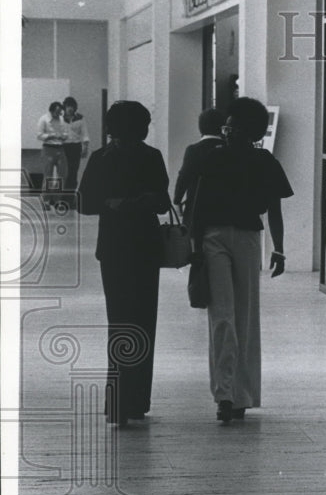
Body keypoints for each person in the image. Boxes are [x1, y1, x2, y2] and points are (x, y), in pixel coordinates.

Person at [190, 97, 293, 423]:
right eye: (227, 126)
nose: (228, 130)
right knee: (223, 316)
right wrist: (194, 250)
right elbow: (197, 205)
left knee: (245, 318)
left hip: (248, 237)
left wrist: (278, 248)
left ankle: (241, 395)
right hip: (215, 237)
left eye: (233, 126)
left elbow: (274, 210)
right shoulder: (211, 158)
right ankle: (225, 394)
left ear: (250, 131)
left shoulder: (264, 162)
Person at [77, 101, 170, 426]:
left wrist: (112, 204)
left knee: (119, 323)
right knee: (145, 322)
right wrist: (139, 203)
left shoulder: (102, 158)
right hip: (145, 248)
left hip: (114, 249)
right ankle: (137, 401)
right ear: (142, 127)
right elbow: (163, 202)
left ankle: (116, 403)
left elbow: (84, 203)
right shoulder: (152, 156)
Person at [173, 108, 225, 227]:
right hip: (224, 210)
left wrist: (177, 200)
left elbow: (184, 177)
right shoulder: (228, 149)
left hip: (198, 209)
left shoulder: (194, 150)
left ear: (200, 127)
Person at [36, 101, 69, 206]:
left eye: (60, 112)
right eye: (57, 111)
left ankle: (56, 199)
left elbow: (66, 134)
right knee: (48, 176)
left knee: (62, 174)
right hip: (48, 149)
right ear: (52, 110)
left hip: (60, 148)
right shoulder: (43, 119)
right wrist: (50, 136)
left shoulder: (62, 120)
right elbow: (39, 135)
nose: (59, 114)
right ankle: (45, 200)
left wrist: (63, 136)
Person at [61, 96, 90, 192]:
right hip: (64, 147)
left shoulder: (80, 118)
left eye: (72, 106)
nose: (70, 108)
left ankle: (71, 196)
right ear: (64, 107)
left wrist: (85, 148)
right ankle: (62, 196)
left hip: (76, 147)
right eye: (68, 106)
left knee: (73, 172)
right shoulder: (60, 119)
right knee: (64, 172)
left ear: (75, 108)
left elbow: (85, 134)